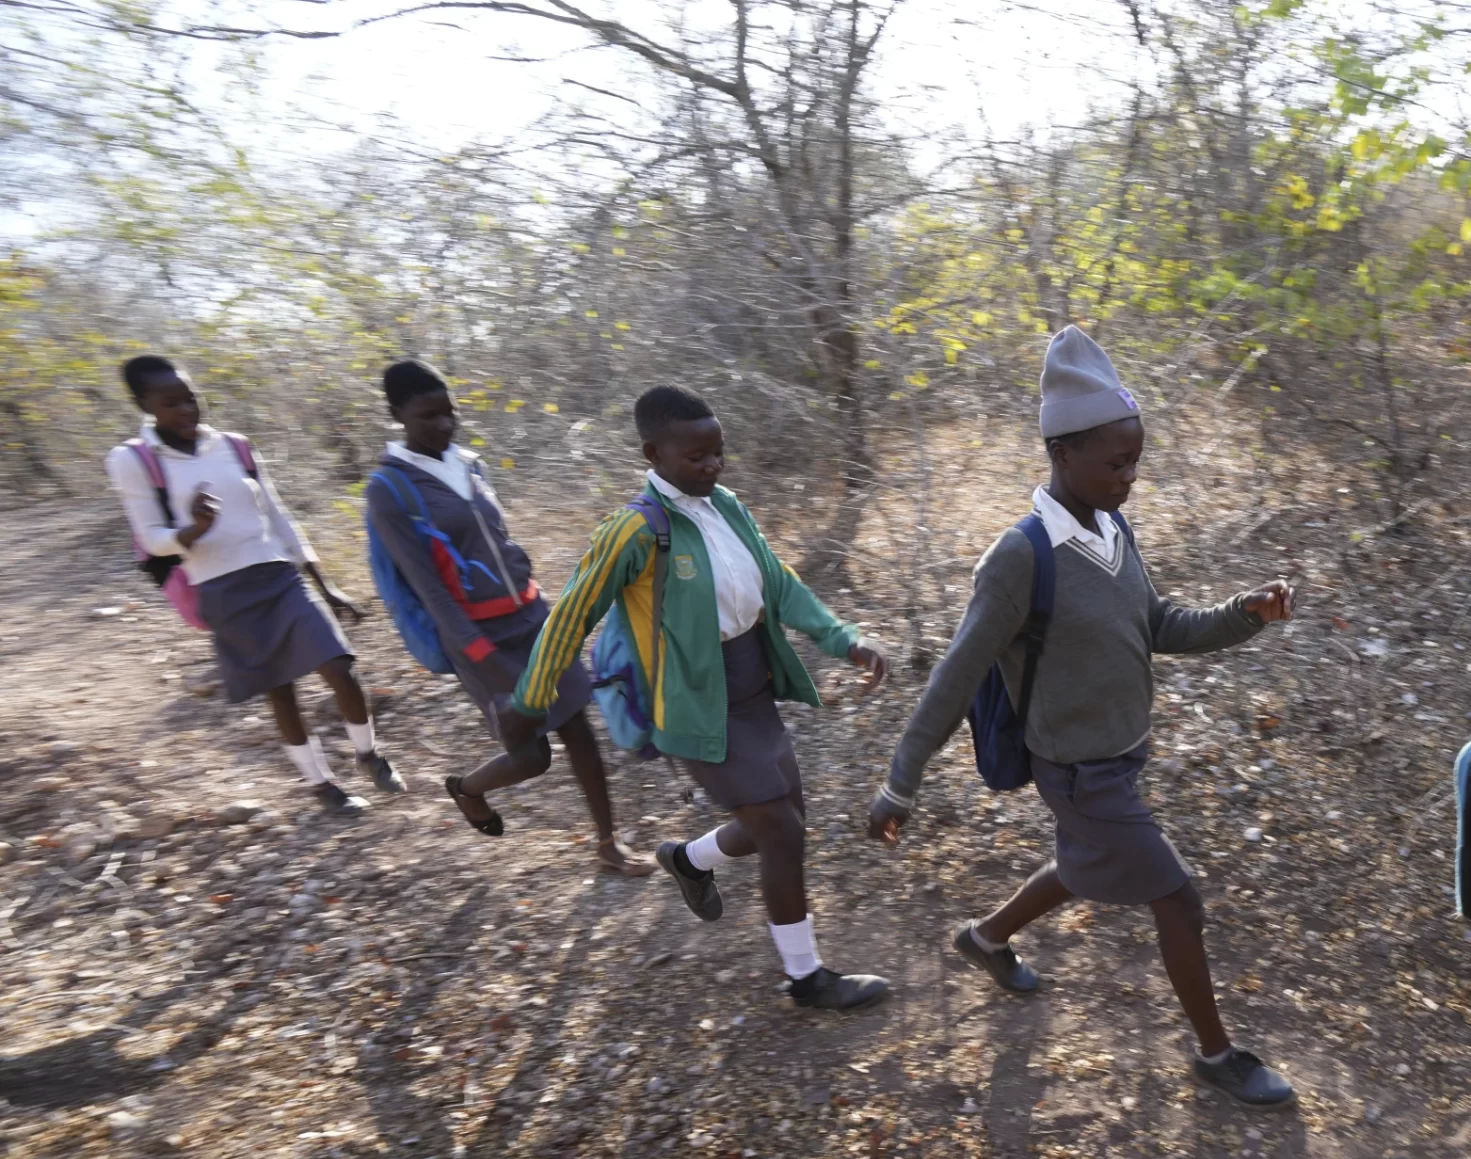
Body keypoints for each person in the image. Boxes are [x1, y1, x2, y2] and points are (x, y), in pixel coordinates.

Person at [866, 326, 1299, 1107]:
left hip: (1121, 754)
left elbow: (1157, 625)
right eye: (1115, 462)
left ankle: (985, 936)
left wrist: (1245, 615)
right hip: (1076, 770)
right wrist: (900, 783)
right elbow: (955, 676)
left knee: (1080, 867)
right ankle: (1215, 1053)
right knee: (1177, 897)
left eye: (1136, 460)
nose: (1130, 477)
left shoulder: (1112, 527)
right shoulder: (1021, 557)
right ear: (1062, 453)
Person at [499, 383, 890, 1009]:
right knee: (782, 835)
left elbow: (778, 582)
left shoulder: (727, 504)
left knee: (785, 824)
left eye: (718, 453)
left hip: (753, 689)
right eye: (696, 457)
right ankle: (806, 978)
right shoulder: (632, 530)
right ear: (653, 453)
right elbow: (570, 615)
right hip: (692, 703)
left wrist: (845, 640)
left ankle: (688, 859)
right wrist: (530, 698)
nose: (712, 466)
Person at [364, 358, 646, 874]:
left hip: (533, 618)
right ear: (397, 414)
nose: (445, 425)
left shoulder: (471, 464)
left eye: (450, 413)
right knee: (532, 756)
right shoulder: (390, 490)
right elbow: (431, 592)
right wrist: (485, 659)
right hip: (477, 638)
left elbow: (499, 542)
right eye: (429, 416)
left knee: (578, 726)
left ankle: (609, 846)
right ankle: (466, 789)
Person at [105, 354, 404, 813]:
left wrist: (324, 585)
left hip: (279, 575)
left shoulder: (234, 446)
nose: (187, 410)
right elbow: (150, 539)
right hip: (221, 588)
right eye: (171, 403)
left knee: (340, 667)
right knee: (280, 689)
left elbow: (279, 514)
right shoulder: (133, 461)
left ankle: (369, 754)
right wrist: (193, 531)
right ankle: (323, 786)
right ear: (143, 404)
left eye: (191, 398)